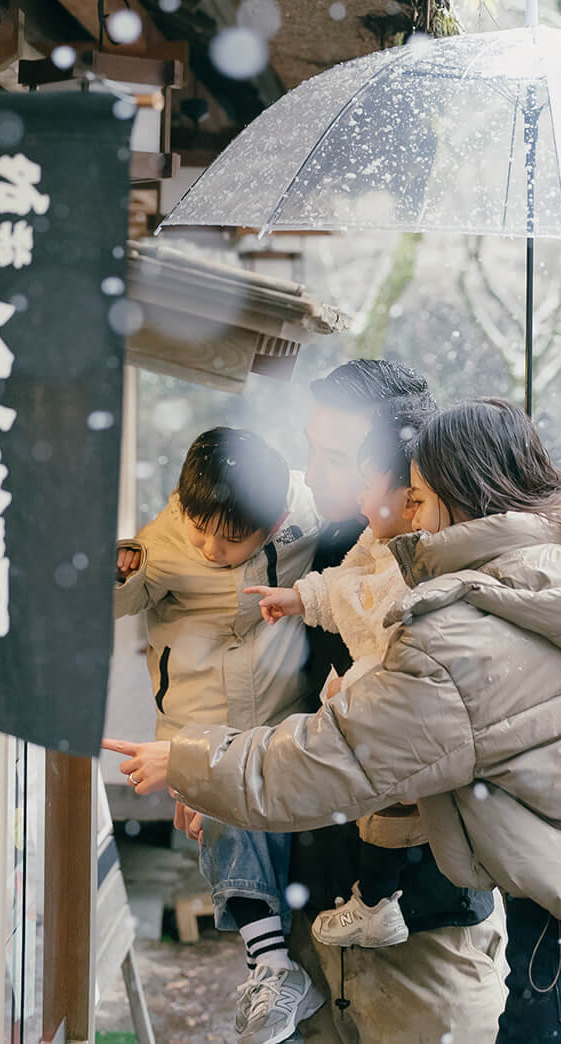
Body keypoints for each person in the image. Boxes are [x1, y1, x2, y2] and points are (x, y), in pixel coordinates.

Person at [111, 399, 561, 1044]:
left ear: (461, 497)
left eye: (422, 499)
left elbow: (340, 758)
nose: (413, 518)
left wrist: (185, 761)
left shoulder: (476, 625)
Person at [109, 426, 325, 1044]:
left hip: (281, 717)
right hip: (199, 722)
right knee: (222, 809)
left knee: (280, 842)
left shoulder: (306, 516)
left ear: (277, 518)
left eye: (230, 540)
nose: (208, 548)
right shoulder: (165, 542)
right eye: (200, 527)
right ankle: (271, 965)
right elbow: (120, 599)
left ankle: (281, 969)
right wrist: (115, 571)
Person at [246, 404, 427, 950]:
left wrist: (349, 692)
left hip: (428, 919)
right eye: (311, 451)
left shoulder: (422, 556)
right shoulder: (361, 538)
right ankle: (370, 900)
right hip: (319, 868)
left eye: (344, 463)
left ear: (413, 495)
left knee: (391, 806)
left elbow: (378, 619)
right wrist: (300, 597)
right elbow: (345, 583)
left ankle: (377, 901)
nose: (318, 475)